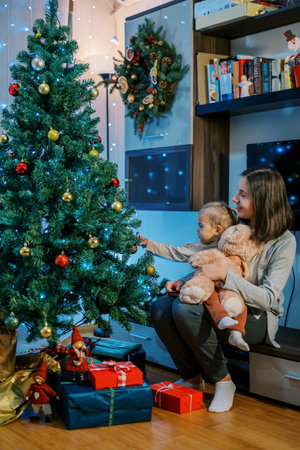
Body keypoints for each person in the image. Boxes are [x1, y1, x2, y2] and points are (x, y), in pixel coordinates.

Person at [150, 167, 296, 413]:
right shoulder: (237, 230)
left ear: (262, 199)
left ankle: (223, 382)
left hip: (255, 318)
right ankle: (192, 378)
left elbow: (267, 299)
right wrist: (184, 281)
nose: (234, 200)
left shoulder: (284, 241)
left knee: (185, 310)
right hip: (221, 305)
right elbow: (214, 261)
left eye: (243, 194)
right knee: (161, 306)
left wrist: (226, 276)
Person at [140, 201, 251, 351]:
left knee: (240, 305)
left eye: (201, 226)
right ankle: (222, 319)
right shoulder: (199, 247)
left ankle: (236, 333)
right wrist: (148, 243)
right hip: (209, 290)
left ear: (217, 230)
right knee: (209, 298)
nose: (197, 229)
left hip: (230, 291)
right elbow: (174, 252)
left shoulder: (231, 247)